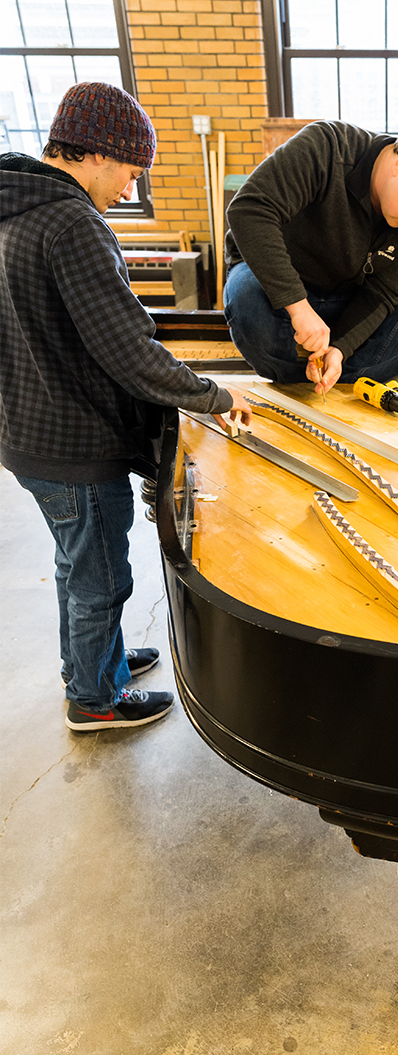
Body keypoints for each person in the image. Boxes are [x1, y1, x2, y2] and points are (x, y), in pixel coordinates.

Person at [0, 81, 252, 731]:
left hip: (28, 430)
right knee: (100, 580)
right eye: (132, 172)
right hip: (75, 443)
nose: (129, 189)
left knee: (73, 565)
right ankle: (95, 699)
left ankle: (96, 663)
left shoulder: (14, 205)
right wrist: (212, 397)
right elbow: (127, 349)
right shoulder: (72, 223)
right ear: (100, 153)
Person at [223, 120, 398, 395]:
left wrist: (340, 348)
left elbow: (382, 292)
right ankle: (293, 383)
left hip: (346, 292)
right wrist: (298, 307)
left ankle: (337, 377)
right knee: (246, 297)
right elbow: (249, 209)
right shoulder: (327, 147)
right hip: (277, 284)